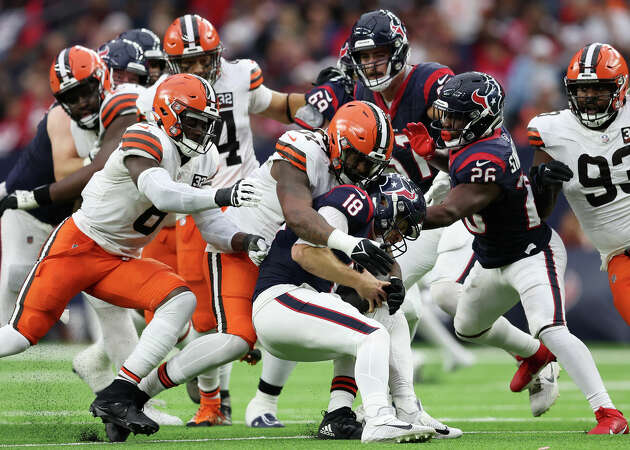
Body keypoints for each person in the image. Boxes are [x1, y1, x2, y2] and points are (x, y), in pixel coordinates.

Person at [245, 9, 479, 431]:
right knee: (371, 318)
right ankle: (366, 414)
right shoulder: (325, 160)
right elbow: (303, 230)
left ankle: (391, 410)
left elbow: (460, 143)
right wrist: (357, 259)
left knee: (390, 307)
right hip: (287, 258)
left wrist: (385, 270)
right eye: (364, 56)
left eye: (380, 53)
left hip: (388, 214)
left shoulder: (424, 90)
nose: (371, 64)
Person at [107, 100, 395, 442]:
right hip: (242, 244)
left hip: (288, 259)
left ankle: (339, 411)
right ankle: (133, 394)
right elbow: (298, 218)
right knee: (235, 340)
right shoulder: (304, 151)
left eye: (371, 163)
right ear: (336, 142)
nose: (362, 168)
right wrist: (350, 246)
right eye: (358, 158)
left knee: (354, 309)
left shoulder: (354, 178)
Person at [0, 73, 263, 437]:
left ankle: (121, 392)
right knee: (19, 336)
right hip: (79, 247)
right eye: (194, 121)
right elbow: (164, 195)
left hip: (120, 258)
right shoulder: (145, 135)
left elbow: (210, 226)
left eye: (207, 124)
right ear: (168, 114)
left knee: (180, 300)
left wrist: (245, 240)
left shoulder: (204, 160)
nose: (202, 132)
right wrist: (225, 195)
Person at [405, 70, 629, 435]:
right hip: (491, 257)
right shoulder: (478, 143)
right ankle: (534, 354)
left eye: (457, 117)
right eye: (447, 115)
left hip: (531, 254)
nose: (447, 124)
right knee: (466, 325)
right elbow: (463, 173)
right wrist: (436, 157)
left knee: (551, 327)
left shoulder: (488, 155)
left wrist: (395, 213)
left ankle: (608, 413)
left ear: (481, 117)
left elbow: (449, 210)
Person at [252, 178, 435, 444]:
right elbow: (304, 252)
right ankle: (379, 417)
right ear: (385, 205)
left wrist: (393, 281)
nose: (399, 234)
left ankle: (347, 415)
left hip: (299, 308)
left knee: (384, 316)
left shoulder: (363, 230)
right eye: (402, 224)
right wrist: (361, 281)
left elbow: (383, 267)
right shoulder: (353, 200)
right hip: (281, 299)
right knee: (372, 334)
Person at [0, 46, 113, 326]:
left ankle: (100, 360)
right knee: (16, 279)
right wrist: (105, 159)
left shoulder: (118, 108)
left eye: (86, 90)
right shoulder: (60, 116)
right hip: (27, 208)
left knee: (102, 295)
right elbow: (65, 173)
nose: (83, 102)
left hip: (69, 215)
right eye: (71, 97)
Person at [528, 42, 630, 327]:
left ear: (620, 87)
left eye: (599, 88)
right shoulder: (551, 132)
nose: (589, 96)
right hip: (620, 256)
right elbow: (539, 212)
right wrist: (543, 186)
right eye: (582, 89)